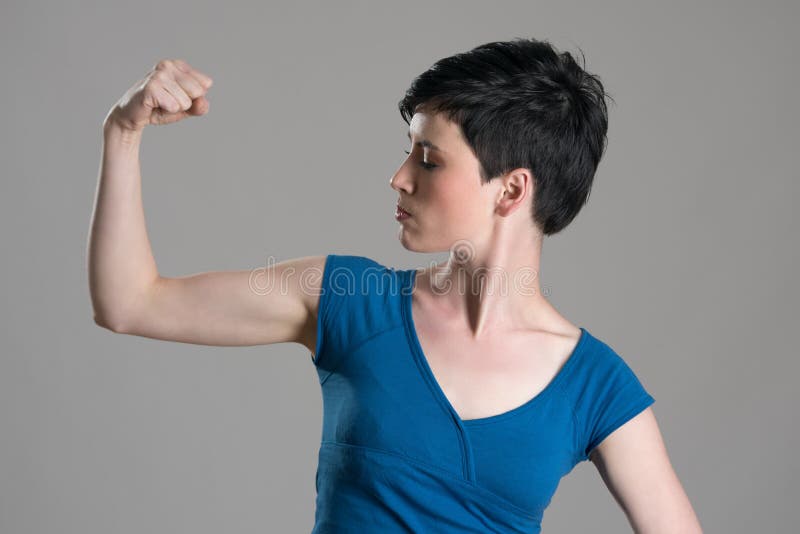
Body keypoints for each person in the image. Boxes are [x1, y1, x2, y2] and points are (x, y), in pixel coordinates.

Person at [88, 38, 702, 533]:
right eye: (407, 152)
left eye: (429, 160)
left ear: (511, 190)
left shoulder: (596, 386)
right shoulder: (348, 299)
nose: (398, 178)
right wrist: (123, 132)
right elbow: (130, 302)